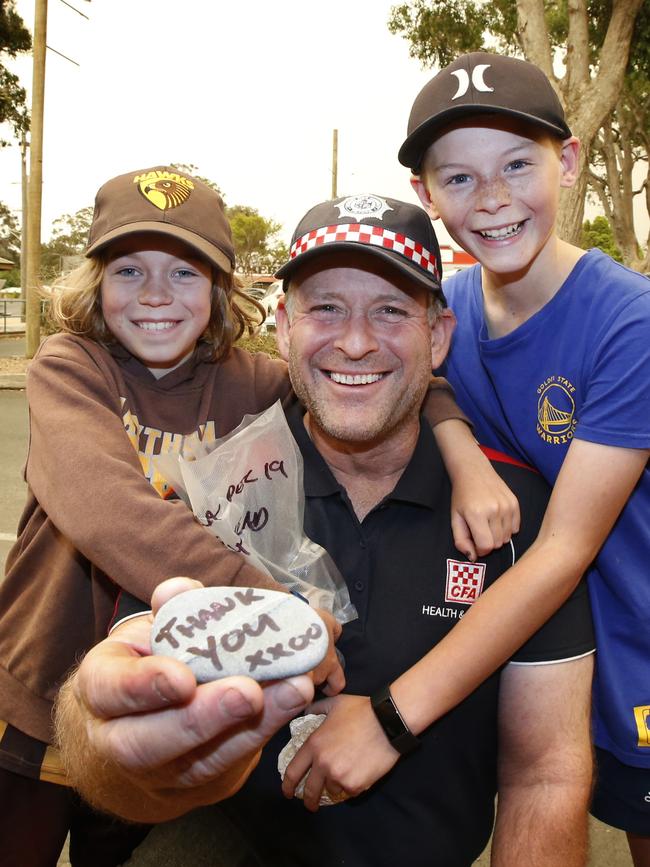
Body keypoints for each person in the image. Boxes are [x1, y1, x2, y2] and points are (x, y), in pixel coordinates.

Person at [55, 195, 595, 867]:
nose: (356, 341)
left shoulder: (517, 511)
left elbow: (544, 774)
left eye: (391, 310)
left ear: (438, 336)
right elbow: (123, 767)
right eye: (326, 308)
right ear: (283, 328)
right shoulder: (220, 490)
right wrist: (102, 731)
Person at [399, 51, 650, 865]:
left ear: (568, 160)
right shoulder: (451, 311)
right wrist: (460, 450)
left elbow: (563, 550)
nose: (495, 197)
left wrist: (393, 714)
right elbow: (419, 381)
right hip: (569, 645)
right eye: (460, 178)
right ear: (425, 196)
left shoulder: (628, 323)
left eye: (516, 163)